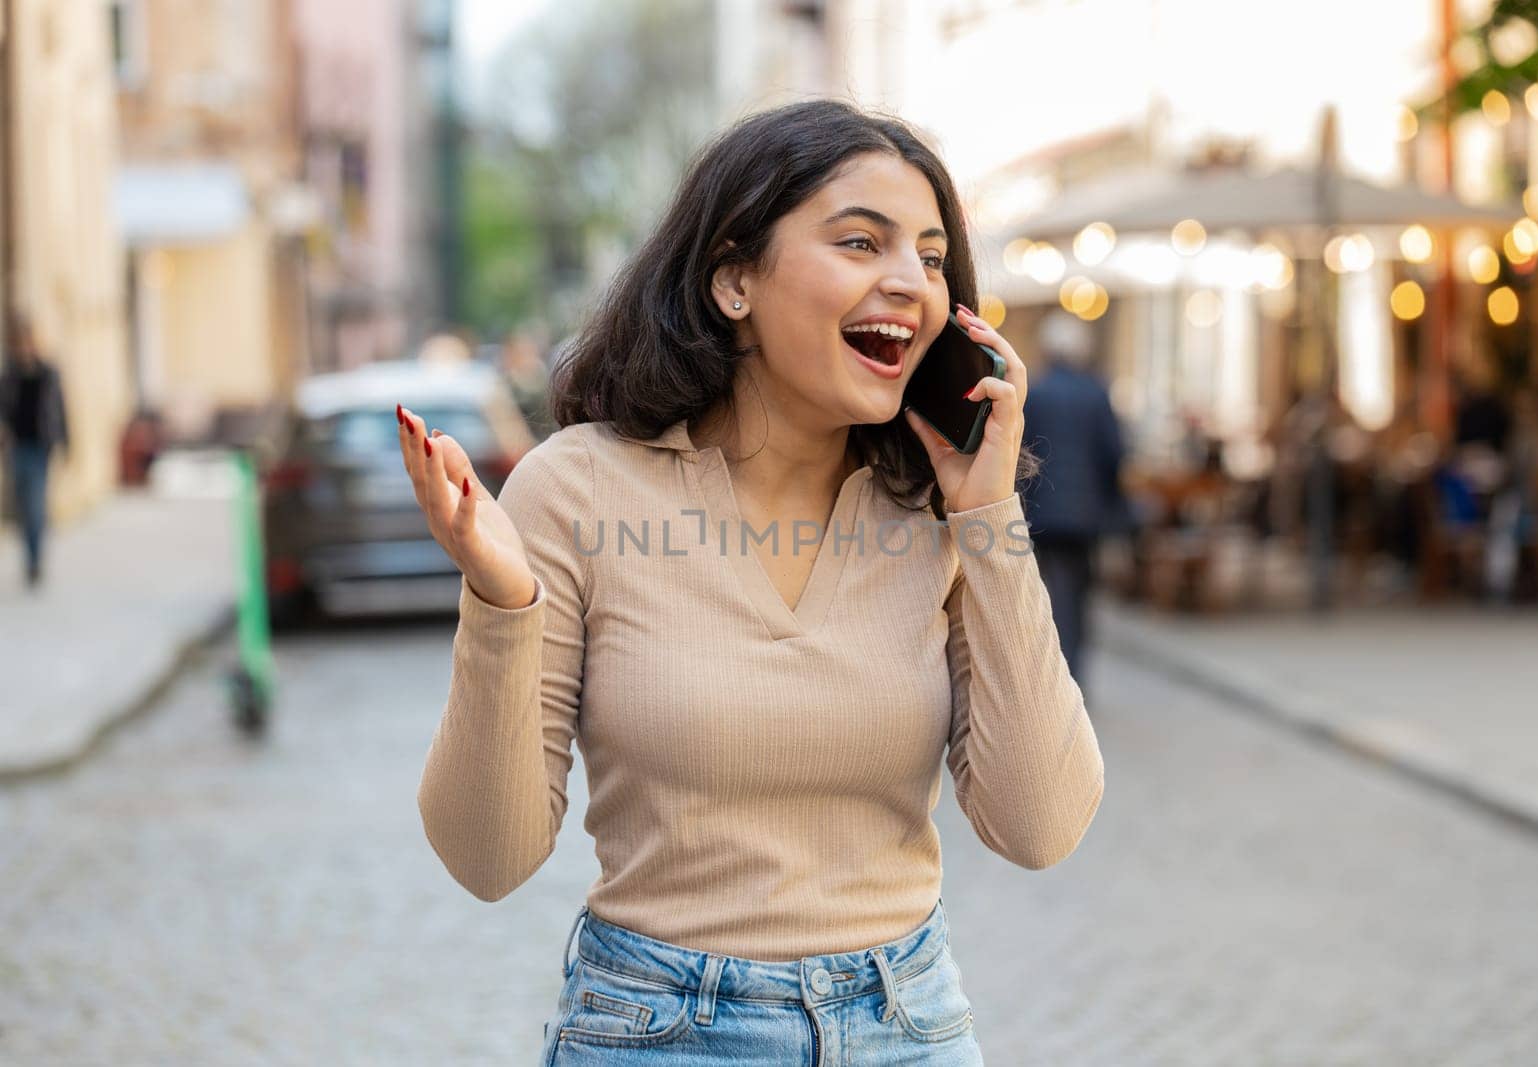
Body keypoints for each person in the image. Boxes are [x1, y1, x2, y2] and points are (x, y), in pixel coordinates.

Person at [398, 99, 1104, 1064]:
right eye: (862, 242)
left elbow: (1040, 825)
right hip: (655, 1029)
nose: (911, 282)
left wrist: (989, 521)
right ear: (734, 280)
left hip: (908, 1026)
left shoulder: (936, 510)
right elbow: (488, 857)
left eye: (933, 258)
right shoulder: (579, 485)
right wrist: (500, 604)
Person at [1018, 310, 1126, 687]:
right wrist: (1110, 501)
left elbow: (1021, 450)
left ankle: (1052, 672)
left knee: (1045, 589)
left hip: (1043, 512)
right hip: (1085, 513)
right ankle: (1072, 671)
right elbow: (1114, 452)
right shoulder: (1096, 393)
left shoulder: (1036, 391)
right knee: (1078, 593)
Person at [0, 314, 70, 588]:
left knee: (37, 505)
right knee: (22, 507)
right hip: (16, 447)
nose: (24, 348)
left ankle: (36, 559)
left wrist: (66, 443)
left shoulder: (48, 373)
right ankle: (30, 556)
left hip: (40, 447)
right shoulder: (8, 375)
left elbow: (60, 410)